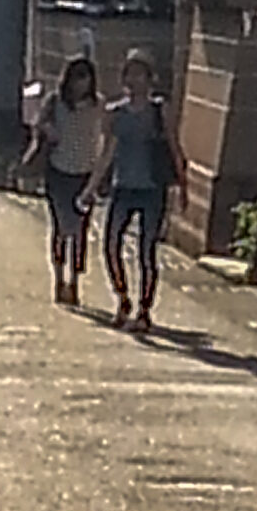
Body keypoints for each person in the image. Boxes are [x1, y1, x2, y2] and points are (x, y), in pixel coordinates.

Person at [88, 49, 188, 333]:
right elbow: (106, 152)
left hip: (151, 188)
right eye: (129, 74)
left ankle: (144, 309)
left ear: (149, 78)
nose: (134, 80)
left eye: (140, 74)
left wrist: (182, 183)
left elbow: (173, 145)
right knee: (110, 246)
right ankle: (122, 299)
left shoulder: (159, 110)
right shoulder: (115, 113)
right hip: (123, 186)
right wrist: (91, 188)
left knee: (147, 251)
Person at [27, 55, 103, 304]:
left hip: (86, 176)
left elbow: (108, 134)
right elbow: (38, 124)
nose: (81, 84)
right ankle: (59, 279)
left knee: (81, 231)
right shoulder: (55, 101)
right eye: (76, 78)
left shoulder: (97, 105)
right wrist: (47, 131)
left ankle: (75, 282)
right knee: (61, 228)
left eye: (85, 78)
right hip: (59, 173)